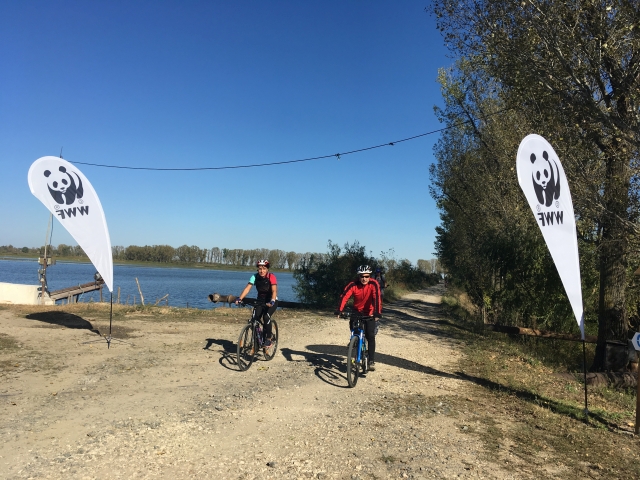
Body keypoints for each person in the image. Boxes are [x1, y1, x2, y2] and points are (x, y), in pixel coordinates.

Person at [335, 265, 382, 371]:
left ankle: (371, 361)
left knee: (370, 336)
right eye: (362, 276)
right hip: (357, 311)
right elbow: (345, 295)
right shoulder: (353, 284)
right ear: (359, 276)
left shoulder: (374, 284)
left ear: (370, 276)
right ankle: (355, 344)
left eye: (366, 276)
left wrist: (377, 313)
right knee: (354, 331)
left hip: (370, 312)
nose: (364, 279)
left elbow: (377, 298)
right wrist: (339, 310)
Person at [235, 259, 278, 347]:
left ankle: (269, 338)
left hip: (271, 300)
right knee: (255, 318)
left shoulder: (271, 277)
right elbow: (247, 289)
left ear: (267, 269)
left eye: (264, 268)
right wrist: (240, 298)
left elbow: (274, 291)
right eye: (260, 269)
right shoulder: (254, 277)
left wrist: (272, 301)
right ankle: (259, 338)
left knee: (266, 317)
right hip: (260, 300)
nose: (262, 271)